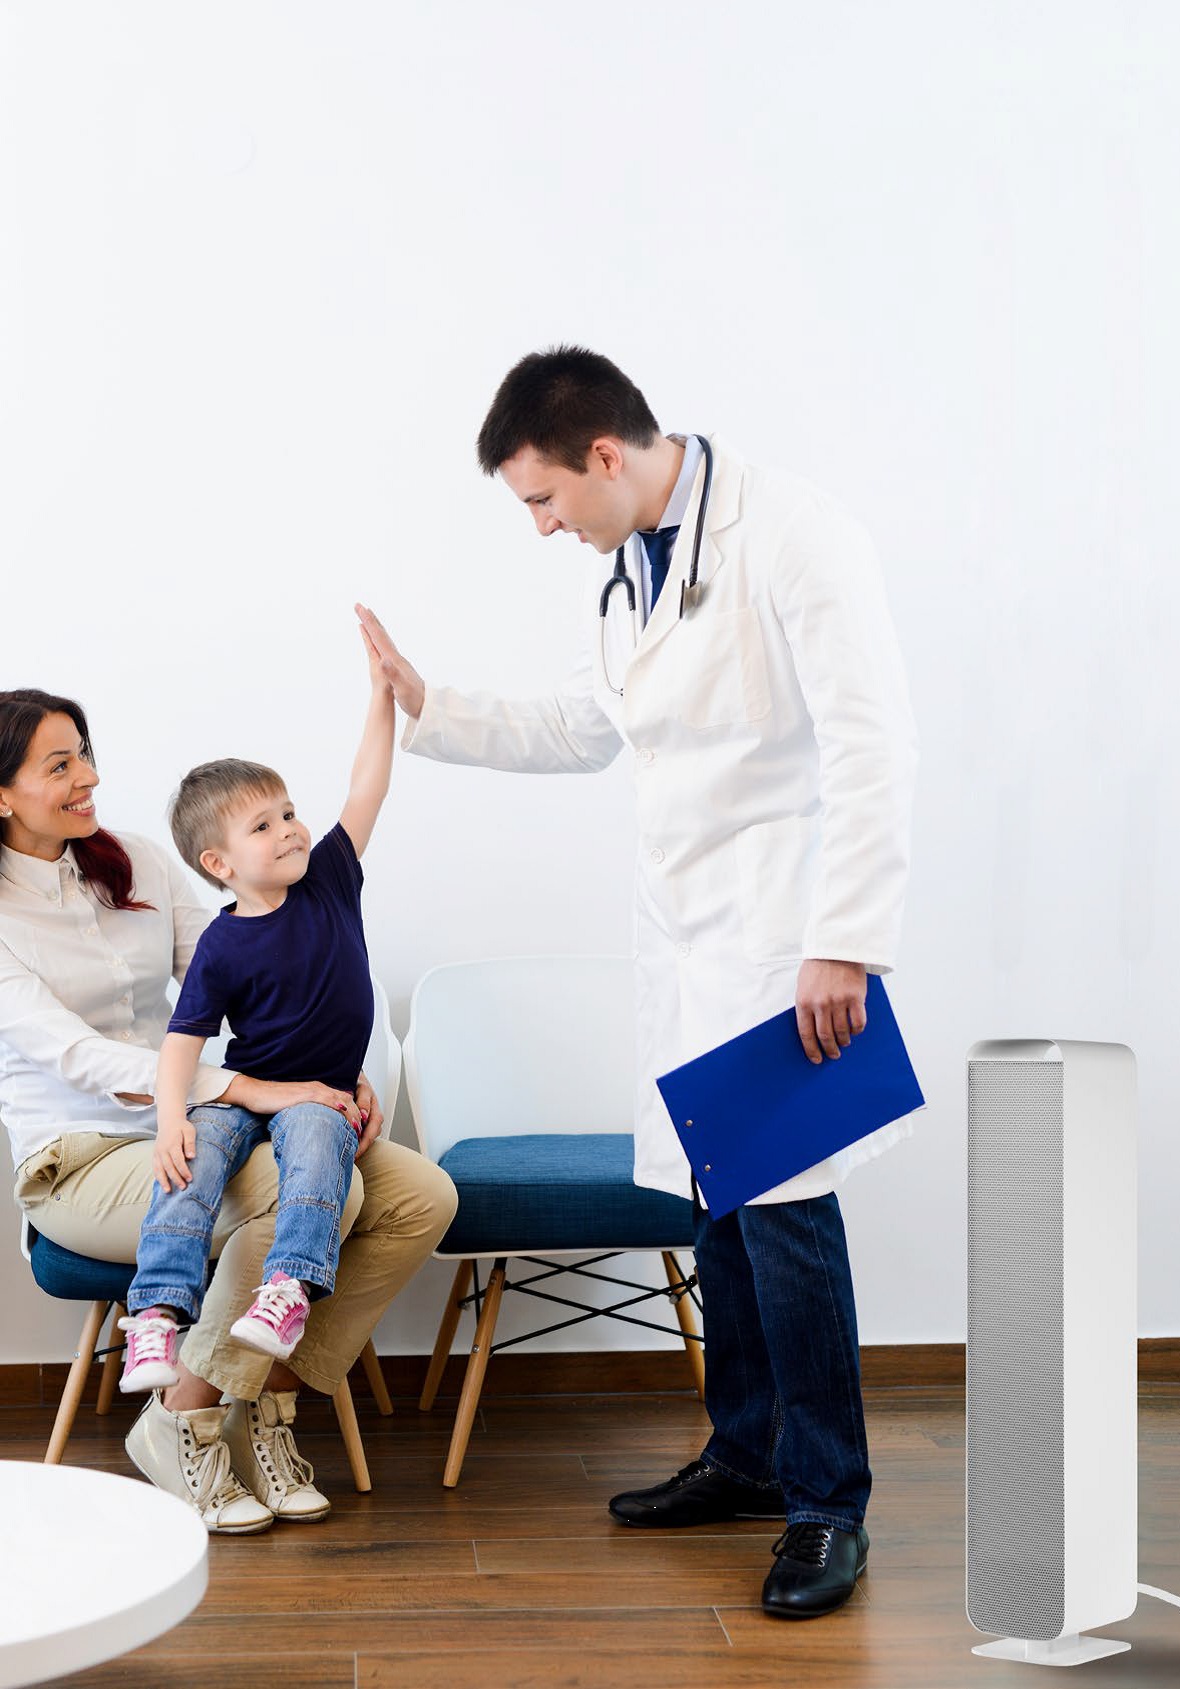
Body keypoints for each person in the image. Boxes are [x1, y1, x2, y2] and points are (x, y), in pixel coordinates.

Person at [356, 344, 916, 1619]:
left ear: (603, 454)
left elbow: (873, 741)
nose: (543, 527)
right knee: (720, 1207)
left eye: (543, 499)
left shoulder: (793, 534)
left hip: (784, 939)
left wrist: (845, 937)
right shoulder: (627, 571)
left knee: (785, 1215)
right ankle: (745, 1455)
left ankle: (826, 1505)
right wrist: (428, 704)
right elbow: (582, 728)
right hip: (686, 942)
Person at [0, 677, 456, 1534]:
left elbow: (240, 972)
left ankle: (265, 1404)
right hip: (84, 1157)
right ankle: (185, 1418)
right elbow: (83, 1058)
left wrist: (328, 1072)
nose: (88, 776)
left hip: (212, 1121)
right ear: (1, 794)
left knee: (420, 1197)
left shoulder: (134, 859)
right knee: (311, 1193)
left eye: (84, 754)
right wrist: (255, 1087)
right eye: (58, 765)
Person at [118, 621, 399, 1392]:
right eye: (263, 824)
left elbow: (367, 787)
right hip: (244, 1092)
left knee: (317, 1148)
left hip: (321, 1094)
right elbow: (182, 1044)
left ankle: (287, 1289)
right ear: (219, 862)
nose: (290, 829)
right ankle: (156, 1313)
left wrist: (381, 695)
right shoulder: (219, 944)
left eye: (288, 811)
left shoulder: (330, 876)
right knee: (189, 1164)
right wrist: (170, 1118)